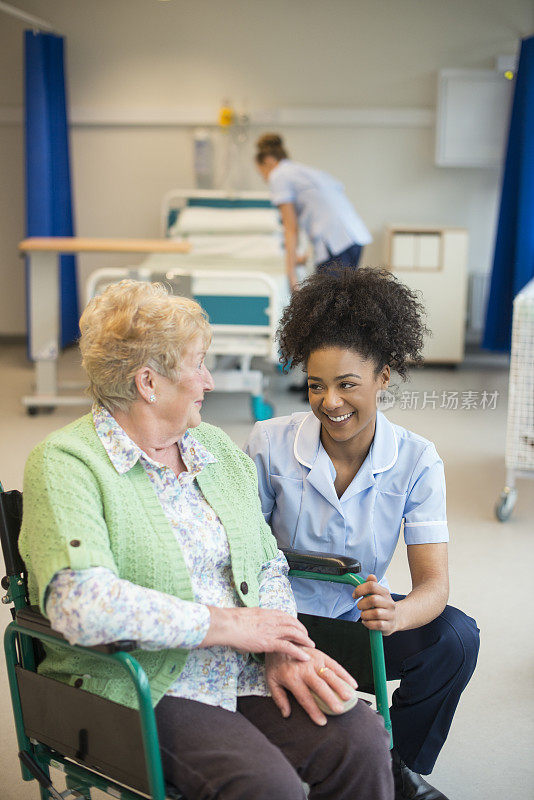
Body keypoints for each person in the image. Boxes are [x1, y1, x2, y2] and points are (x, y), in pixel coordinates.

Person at [19, 280, 393, 800]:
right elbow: (80, 605)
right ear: (149, 382)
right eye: (197, 364)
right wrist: (228, 625)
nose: (208, 382)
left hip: (246, 665)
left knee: (360, 739)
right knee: (266, 786)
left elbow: (268, 566)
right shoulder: (66, 464)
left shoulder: (212, 449)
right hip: (141, 683)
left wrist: (282, 647)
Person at [245, 268, 480, 800]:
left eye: (348, 383)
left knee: (456, 638)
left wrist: (397, 613)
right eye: (315, 384)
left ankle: (397, 770)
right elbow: (238, 552)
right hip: (279, 626)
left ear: (384, 377)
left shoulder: (417, 459)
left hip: (354, 624)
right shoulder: (269, 443)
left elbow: (434, 587)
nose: (330, 401)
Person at [255, 133, 372, 291]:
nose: (265, 179)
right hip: (353, 237)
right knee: (343, 299)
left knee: (327, 305)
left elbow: (291, 229)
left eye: (262, 173)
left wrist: (292, 278)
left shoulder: (278, 175)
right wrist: (304, 257)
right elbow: (322, 212)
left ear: (268, 161)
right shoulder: (301, 171)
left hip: (337, 244)